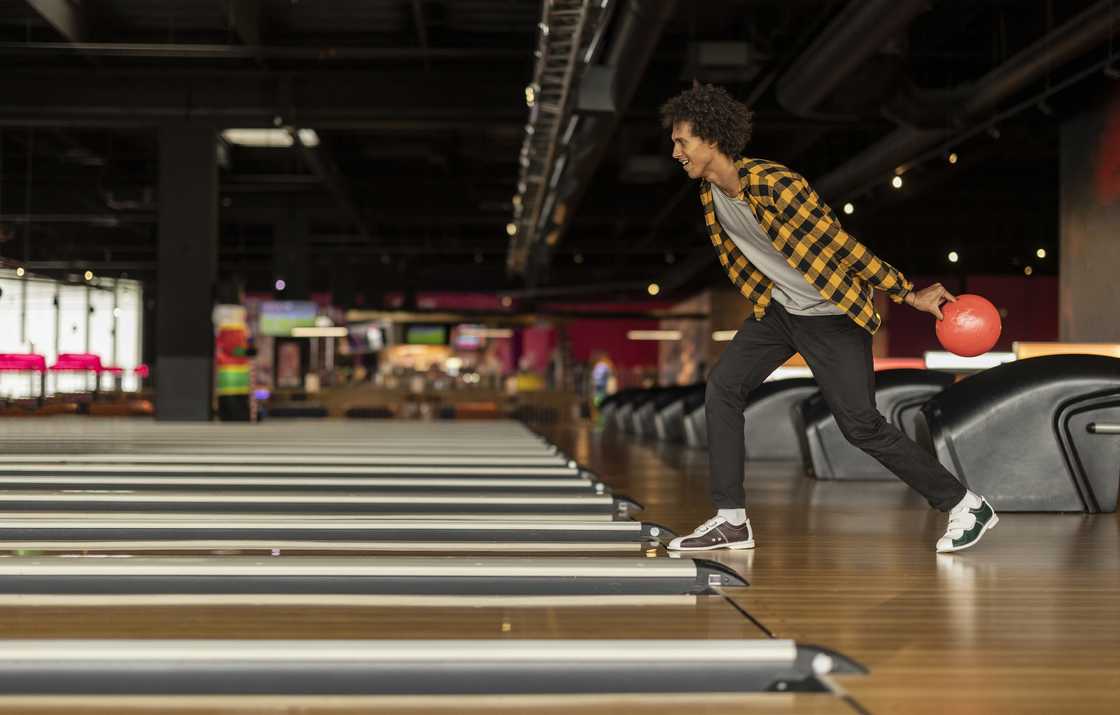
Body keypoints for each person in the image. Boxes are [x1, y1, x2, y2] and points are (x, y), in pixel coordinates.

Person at [660, 84, 998, 554]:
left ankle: (966, 505)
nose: (675, 151)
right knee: (723, 388)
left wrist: (906, 293)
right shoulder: (709, 195)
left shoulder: (775, 184)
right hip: (780, 310)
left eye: (683, 141)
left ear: (712, 139)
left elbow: (839, 245)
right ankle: (731, 520)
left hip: (832, 314)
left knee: (860, 425)